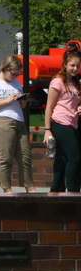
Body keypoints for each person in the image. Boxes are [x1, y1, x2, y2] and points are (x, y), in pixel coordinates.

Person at [0, 54, 36, 193]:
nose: (16, 76)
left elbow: (20, 106)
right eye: (13, 73)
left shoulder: (16, 83)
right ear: (5, 68)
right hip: (2, 121)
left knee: (25, 155)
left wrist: (23, 101)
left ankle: (29, 186)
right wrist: (8, 100)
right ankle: (6, 188)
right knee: (5, 157)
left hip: (19, 120)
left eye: (18, 74)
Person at [46, 48, 81, 192]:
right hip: (60, 123)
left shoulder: (75, 83)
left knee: (62, 159)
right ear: (65, 65)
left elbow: (75, 102)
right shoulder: (57, 81)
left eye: (78, 66)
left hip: (74, 123)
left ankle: (55, 191)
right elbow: (49, 107)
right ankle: (73, 192)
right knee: (75, 158)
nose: (75, 69)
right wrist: (47, 130)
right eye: (72, 65)